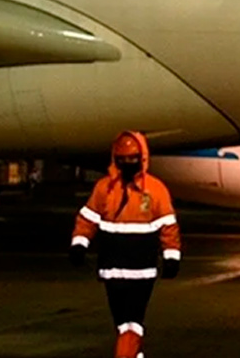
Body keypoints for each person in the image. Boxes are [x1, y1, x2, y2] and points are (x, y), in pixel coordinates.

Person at [71, 131, 181, 358]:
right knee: (124, 324)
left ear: (141, 158)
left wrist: (172, 257)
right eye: (123, 159)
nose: (127, 163)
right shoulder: (105, 189)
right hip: (113, 271)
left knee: (132, 323)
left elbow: (167, 226)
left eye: (132, 159)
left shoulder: (155, 190)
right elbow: (88, 218)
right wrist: (79, 244)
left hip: (141, 272)